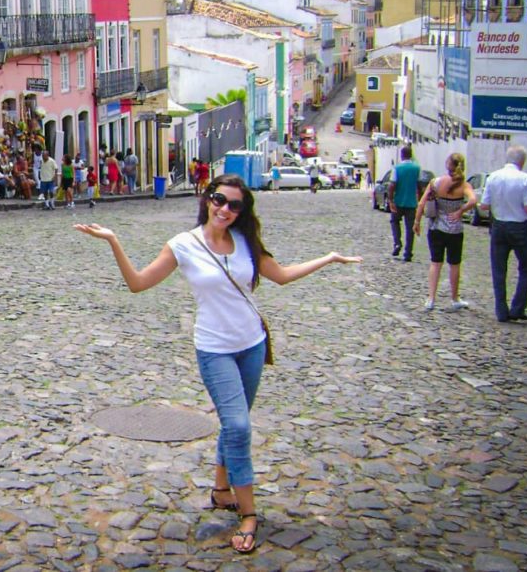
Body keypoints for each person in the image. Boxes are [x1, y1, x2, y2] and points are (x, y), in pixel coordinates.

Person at [74, 174, 361, 555]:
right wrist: (113, 241)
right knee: (239, 426)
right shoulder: (183, 245)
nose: (224, 209)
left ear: (242, 211)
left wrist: (328, 258)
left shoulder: (245, 242)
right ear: (207, 200)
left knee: (233, 421)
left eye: (234, 205)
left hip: (253, 344)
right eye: (218, 200)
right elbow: (139, 284)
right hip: (214, 349)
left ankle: (221, 489)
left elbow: (283, 276)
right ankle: (249, 513)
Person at [480, 146, 527, 323]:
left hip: (499, 225)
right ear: (522, 161)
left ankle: (501, 310)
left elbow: (484, 206)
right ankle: (518, 307)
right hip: (519, 226)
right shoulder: (525, 179)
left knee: (499, 269)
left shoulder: (493, 177)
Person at [414, 153, 476, 311]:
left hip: (436, 227)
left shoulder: (435, 183)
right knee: (454, 264)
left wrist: (417, 222)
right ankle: (455, 298)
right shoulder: (464, 186)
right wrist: (460, 211)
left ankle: (431, 298)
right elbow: (474, 200)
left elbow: (421, 204)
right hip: (455, 229)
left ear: (447, 165)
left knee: (436, 263)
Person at [388, 146, 420, 262]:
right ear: (411, 155)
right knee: (410, 228)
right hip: (411, 203)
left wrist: (390, 200)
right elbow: (419, 185)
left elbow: (392, 185)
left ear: (401, 155)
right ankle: (408, 253)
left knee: (395, 221)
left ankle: (397, 243)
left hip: (399, 201)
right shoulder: (417, 168)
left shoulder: (397, 168)